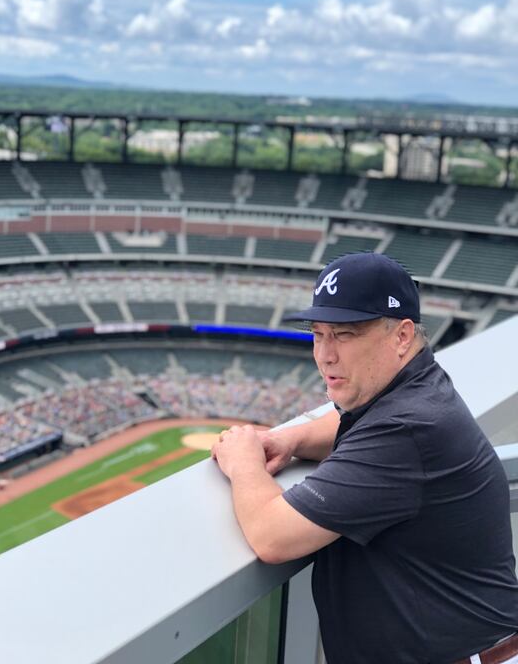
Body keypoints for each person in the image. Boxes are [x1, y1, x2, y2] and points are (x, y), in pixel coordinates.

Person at [212, 252, 518, 664]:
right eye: (318, 334)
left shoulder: (408, 427)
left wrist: (243, 457)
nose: (324, 354)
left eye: (345, 334)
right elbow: (354, 426)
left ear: (402, 336)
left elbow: (272, 537)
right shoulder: (416, 388)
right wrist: (292, 438)